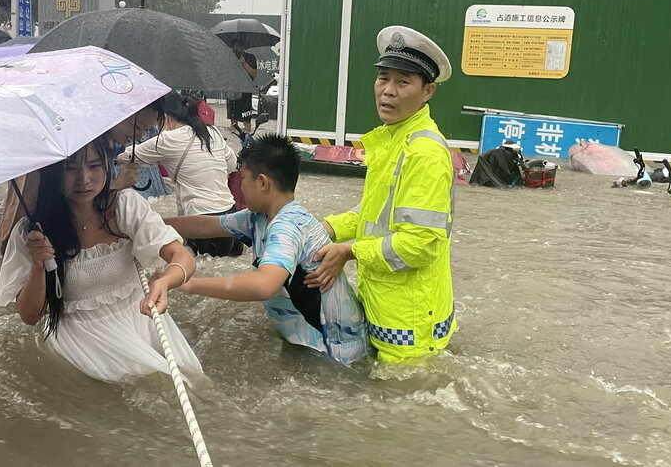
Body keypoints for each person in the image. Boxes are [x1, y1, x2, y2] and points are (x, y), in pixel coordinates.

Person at [304, 26, 457, 363]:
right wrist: (327, 228)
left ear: (427, 91)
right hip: (385, 308)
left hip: (410, 328)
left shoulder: (423, 153)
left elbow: (418, 244)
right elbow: (374, 215)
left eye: (403, 82)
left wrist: (348, 251)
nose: (388, 91)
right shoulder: (392, 141)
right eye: (383, 78)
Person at [148, 134, 369, 366]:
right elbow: (207, 225)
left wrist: (187, 284)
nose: (239, 186)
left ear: (263, 183)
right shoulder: (259, 217)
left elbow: (263, 285)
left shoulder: (287, 227)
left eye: (243, 178)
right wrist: (149, 223)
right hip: (309, 341)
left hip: (337, 352)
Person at [0, 136, 202, 382]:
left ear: (107, 164)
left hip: (143, 323)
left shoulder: (124, 207)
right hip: (82, 342)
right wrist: (39, 265)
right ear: (53, 172)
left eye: (94, 166)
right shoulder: (31, 233)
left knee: (190, 383)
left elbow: (183, 258)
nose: (84, 179)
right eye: (70, 168)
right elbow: (30, 317)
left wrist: (165, 282)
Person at [0, 101, 165, 254]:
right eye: (137, 127)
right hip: (41, 238)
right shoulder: (71, 141)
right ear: (118, 113)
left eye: (146, 130)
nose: (139, 136)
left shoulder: (108, 143)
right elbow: (51, 198)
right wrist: (116, 186)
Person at [118, 91, 243, 257]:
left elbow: (124, 157)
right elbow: (232, 164)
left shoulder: (167, 140)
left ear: (166, 117)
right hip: (232, 220)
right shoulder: (212, 132)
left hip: (201, 224)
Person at [226, 41, 257, 135]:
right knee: (233, 124)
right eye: (233, 48)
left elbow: (254, 74)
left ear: (243, 47)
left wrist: (243, 63)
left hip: (246, 93)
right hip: (233, 92)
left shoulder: (250, 57)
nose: (236, 50)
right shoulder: (229, 58)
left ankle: (246, 138)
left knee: (246, 122)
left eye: (238, 48)